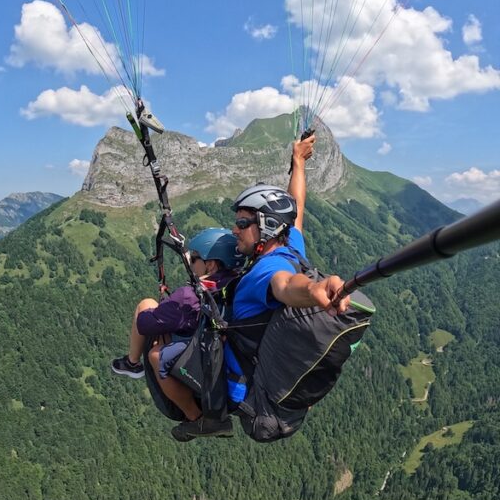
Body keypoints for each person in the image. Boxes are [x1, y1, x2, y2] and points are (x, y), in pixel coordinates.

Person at [170, 135, 351, 442]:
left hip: (238, 389)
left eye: (242, 223)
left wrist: (313, 290)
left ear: (266, 226)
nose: (234, 230)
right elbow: (297, 213)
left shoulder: (266, 270)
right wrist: (298, 163)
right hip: (266, 381)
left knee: (160, 350)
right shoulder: (291, 249)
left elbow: (285, 285)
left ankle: (199, 418)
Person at [111, 229, 239, 434]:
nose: (190, 263)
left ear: (211, 264)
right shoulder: (236, 282)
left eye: (194, 259)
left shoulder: (189, 297)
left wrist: (165, 308)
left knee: (154, 347)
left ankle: (194, 416)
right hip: (224, 351)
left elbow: (145, 324)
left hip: (203, 355)